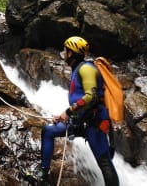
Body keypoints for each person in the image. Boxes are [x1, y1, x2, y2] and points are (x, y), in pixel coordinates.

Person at [26, 36, 119, 186]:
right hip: (80, 121)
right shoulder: (78, 69)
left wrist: (67, 112)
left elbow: (91, 97)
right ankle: (43, 173)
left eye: (65, 50)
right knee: (49, 131)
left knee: (105, 163)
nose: (63, 53)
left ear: (71, 53)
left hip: (95, 123)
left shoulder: (86, 68)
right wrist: (66, 116)